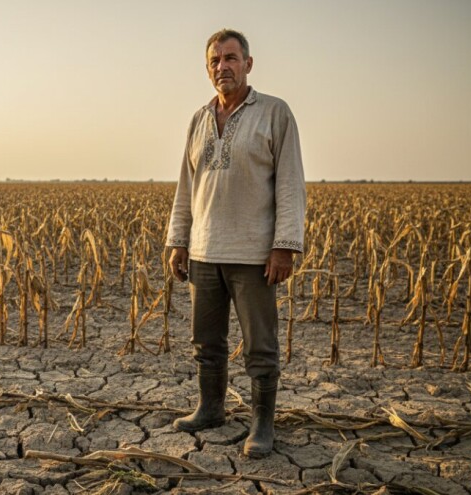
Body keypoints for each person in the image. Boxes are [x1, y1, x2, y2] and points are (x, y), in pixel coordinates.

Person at [165, 28, 306, 458]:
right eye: (215, 60)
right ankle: (211, 409)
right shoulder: (199, 119)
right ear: (207, 68)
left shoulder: (274, 113)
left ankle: (263, 424)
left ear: (248, 63)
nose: (222, 66)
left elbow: (290, 182)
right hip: (204, 252)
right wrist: (179, 240)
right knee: (206, 342)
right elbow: (187, 184)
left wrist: (285, 245)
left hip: (253, 254)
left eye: (230, 58)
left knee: (260, 346)